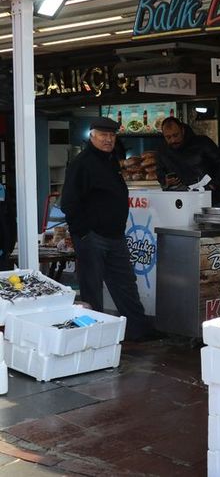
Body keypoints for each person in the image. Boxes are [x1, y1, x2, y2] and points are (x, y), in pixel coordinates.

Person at [61, 117, 154, 341]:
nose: (108, 139)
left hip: (115, 235)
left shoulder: (111, 160)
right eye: (103, 135)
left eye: (112, 135)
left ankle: (137, 331)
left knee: (126, 285)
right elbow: (69, 203)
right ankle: (95, 337)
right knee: (92, 288)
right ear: (92, 136)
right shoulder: (81, 163)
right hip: (92, 236)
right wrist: (83, 232)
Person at [156, 117, 220, 206]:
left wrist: (214, 184)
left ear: (182, 130)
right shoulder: (162, 150)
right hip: (179, 202)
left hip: (211, 199)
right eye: (168, 137)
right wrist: (165, 180)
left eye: (176, 135)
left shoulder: (202, 142)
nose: (173, 140)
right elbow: (160, 172)